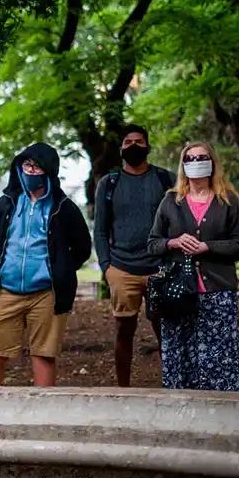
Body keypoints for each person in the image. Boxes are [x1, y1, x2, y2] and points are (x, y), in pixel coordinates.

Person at [0, 143, 91, 387]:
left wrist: (59, 269)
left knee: (43, 355)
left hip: (46, 294)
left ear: (49, 171)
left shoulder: (64, 208)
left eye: (37, 166)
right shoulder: (6, 203)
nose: (30, 171)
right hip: (6, 290)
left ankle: (44, 415)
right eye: (26, 165)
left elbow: (82, 248)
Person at [147, 142, 239, 391]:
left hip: (218, 292)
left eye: (201, 157)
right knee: (181, 356)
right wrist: (173, 242)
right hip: (178, 293)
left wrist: (207, 247)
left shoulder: (228, 201)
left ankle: (223, 413)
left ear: (212, 161)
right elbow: (152, 243)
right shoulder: (171, 201)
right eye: (189, 158)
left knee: (220, 357)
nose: (195, 162)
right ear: (182, 165)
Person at [93, 124, 174, 387]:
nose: (134, 147)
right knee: (123, 332)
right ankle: (123, 390)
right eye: (128, 142)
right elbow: (101, 231)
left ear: (148, 147)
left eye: (139, 142)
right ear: (121, 149)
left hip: (159, 269)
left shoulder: (166, 180)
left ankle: (172, 386)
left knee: (166, 331)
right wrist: (107, 268)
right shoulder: (109, 183)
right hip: (122, 269)